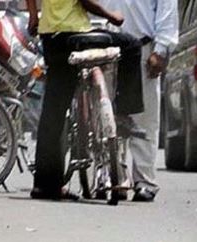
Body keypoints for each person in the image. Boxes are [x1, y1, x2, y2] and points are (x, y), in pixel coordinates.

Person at [26, 0, 145, 200]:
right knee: (132, 45)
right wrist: (111, 16)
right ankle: (124, 114)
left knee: (53, 113)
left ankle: (45, 185)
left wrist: (32, 17)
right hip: (75, 36)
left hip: (50, 39)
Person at [100, 0, 178, 202]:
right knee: (103, 115)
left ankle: (144, 181)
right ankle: (109, 176)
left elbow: (167, 10)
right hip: (102, 45)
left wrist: (161, 50)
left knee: (144, 120)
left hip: (142, 50)